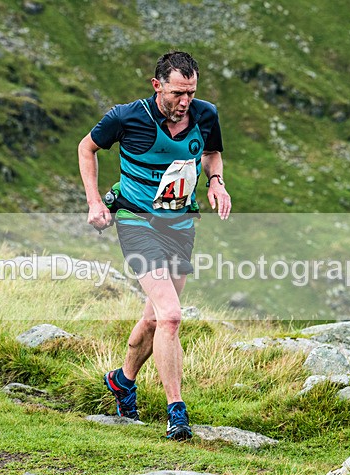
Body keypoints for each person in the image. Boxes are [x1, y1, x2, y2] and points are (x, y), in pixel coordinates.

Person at [78, 51, 231, 441]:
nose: (185, 102)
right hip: (136, 221)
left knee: (154, 320)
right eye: (178, 93)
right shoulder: (125, 117)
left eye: (191, 93)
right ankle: (176, 413)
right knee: (172, 315)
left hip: (181, 225)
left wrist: (216, 182)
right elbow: (86, 148)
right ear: (157, 85)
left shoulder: (205, 114)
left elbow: (212, 153)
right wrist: (96, 201)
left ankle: (122, 381)